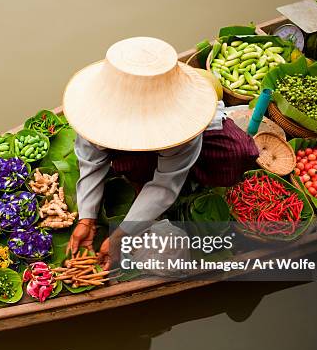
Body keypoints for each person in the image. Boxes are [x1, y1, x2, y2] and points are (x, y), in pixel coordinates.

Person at [62, 37, 220, 270]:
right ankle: (137, 184)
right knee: (130, 166)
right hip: (137, 154)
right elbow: (90, 163)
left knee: (234, 154)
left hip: (179, 149)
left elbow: (165, 184)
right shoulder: (96, 114)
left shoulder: (180, 126)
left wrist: (120, 236)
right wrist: (87, 218)